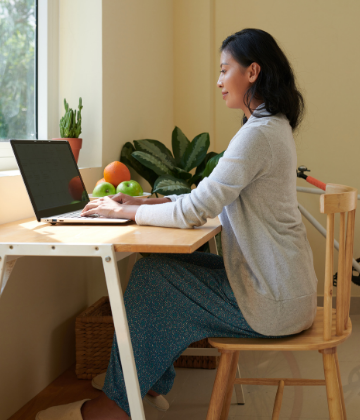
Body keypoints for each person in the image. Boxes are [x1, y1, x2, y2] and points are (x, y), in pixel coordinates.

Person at [36, 28, 314, 420]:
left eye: (224, 70)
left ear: (252, 72)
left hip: (273, 302)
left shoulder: (259, 135)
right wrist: (144, 200)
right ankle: (142, 385)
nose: (218, 81)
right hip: (279, 287)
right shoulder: (270, 127)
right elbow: (208, 196)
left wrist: (125, 212)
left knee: (154, 278)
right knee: (152, 268)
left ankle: (112, 408)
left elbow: (196, 210)